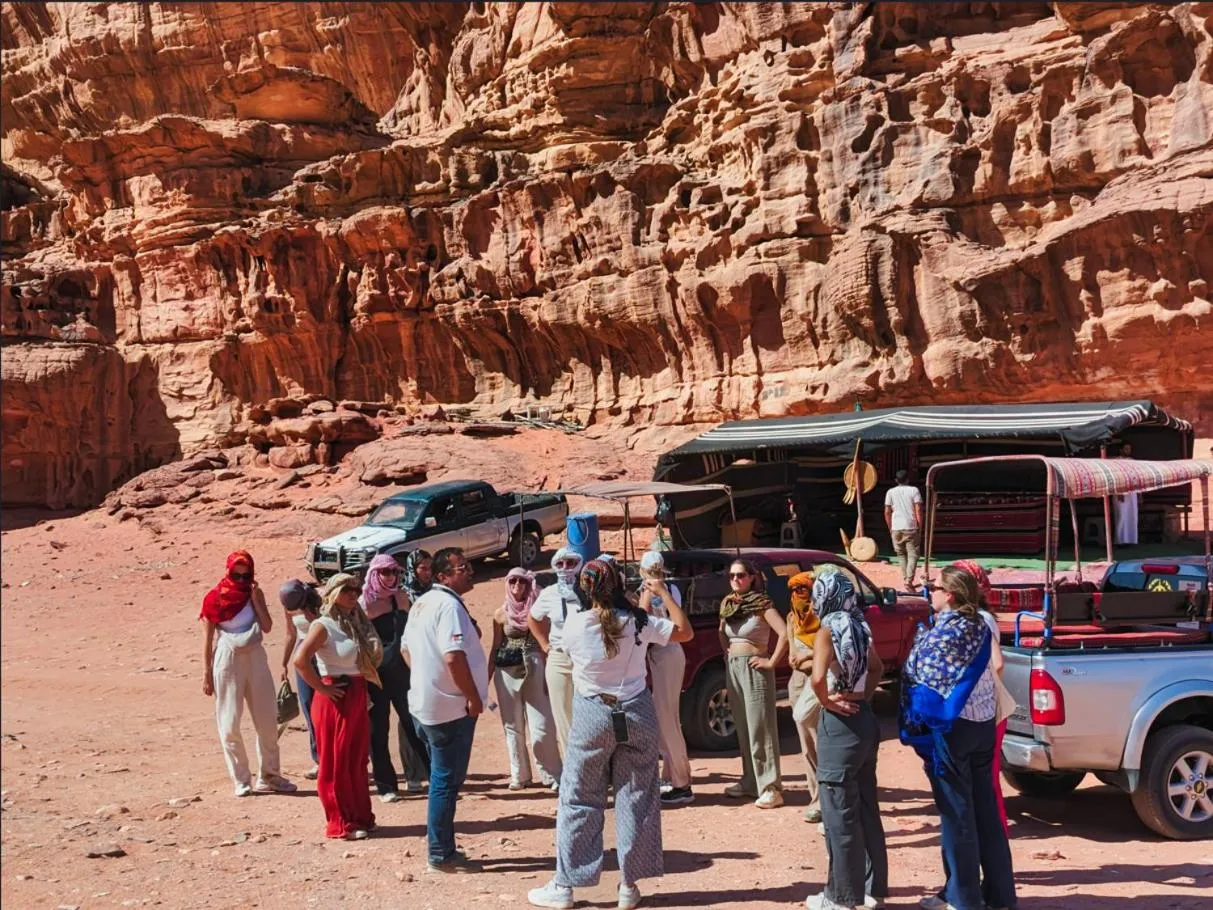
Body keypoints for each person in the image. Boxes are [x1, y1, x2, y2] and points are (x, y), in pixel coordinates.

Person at [527, 558, 694, 910]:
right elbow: (684, 631)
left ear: (585, 589)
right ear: (618, 584)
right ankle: (628, 886)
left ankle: (565, 885)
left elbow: (565, 651)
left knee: (578, 798)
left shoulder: (575, 625)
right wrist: (661, 591)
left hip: (592, 713)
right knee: (636, 798)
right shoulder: (638, 621)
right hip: (636, 710)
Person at [900, 566, 1016, 910]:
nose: (929, 592)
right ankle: (1000, 896)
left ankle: (963, 898)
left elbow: (914, 675)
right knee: (986, 813)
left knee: (957, 813)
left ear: (949, 594)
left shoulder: (942, 633)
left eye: (933, 587)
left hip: (954, 729)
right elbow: (997, 664)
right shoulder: (981, 624)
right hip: (984, 725)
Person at [402, 547, 488, 874]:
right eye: (461, 568)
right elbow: (454, 657)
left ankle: (443, 846)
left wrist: (426, 677)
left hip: (426, 705)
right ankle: (440, 852)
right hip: (449, 709)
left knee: (444, 778)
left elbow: (408, 651)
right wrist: (471, 696)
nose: (468, 571)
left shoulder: (423, 602)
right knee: (445, 781)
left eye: (467, 565)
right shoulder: (447, 606)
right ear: (443, 577)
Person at [806, 572, 888, 910]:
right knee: (867, 807)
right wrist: (862, 697)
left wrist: (827, 700)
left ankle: (840, 897)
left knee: (838, 813)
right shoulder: (860, 625)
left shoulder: (828, 628)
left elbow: (815, 676)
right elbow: (879, 668)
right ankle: (872, 889)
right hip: (865, 721)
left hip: (840, 726)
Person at [293, 572, 383, 840]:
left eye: (356, 590)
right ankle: (341, 822)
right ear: (333, 594)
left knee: (356, 759)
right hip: (336, 697)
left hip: (356, 694)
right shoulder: (323, 625)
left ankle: (360, 817)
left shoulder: (354, 622)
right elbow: (300, 660)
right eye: (347, 590)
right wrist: (321, 687)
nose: (354, 595)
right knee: (336, 762)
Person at [201, 551, 296, 797]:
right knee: (229, 720)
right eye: (237, 575)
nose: (241, 581)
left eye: (247, 576)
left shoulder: (255, 594)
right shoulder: (214, 598)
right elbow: (208, 640)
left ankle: (270, 775)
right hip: (228, 658)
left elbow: (266, 626)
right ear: (228, 571)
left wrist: (254, 599)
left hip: (255, 655)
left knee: (266, 719)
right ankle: (241, 779)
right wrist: (207, 673)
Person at [360, 554, 430, 803]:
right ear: (374, 573)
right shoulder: (364, 603)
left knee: (414, 726)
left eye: (394, 572)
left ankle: (431, 778)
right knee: (378, 731)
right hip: (375, 677)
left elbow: (410, 633)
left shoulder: (401, 598)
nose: (390, 577)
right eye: (385, 572)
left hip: (403, 673)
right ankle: (386, 786)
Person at [719, 559, 788, 808]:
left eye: (741, 575)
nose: (736, 579)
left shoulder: (762, 604)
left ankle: (771, 786)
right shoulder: (728, 604)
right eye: (732, 575)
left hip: (755, 666)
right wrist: (727, 652)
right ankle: (751, 780)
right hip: (734, 668)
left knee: (761, 725)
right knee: (743, 724)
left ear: (751, 577)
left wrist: (770, 661)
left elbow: (784, 632)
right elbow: (721, 631)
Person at [488, 567, 562, 791]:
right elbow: (495, 646)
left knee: (543, 724)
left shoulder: (539, 611)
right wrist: (485, 679)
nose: (517, 586)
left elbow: (547, 642)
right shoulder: (500, 614)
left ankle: (552, 774)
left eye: (522, 582)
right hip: (507, 670)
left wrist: (551, 675)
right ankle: (519, 775)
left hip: (535, 665)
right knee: (512, 724)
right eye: (512, 582)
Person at [638, 550, 694, 806]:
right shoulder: (644, 589)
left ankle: (682, 783)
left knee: (668, 718)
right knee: (663, 717)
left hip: (669, 651)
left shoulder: (669, 591)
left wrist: (659, 591)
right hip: (657, 655)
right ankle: (670, 775)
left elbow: (658, 618)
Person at [530, 547, 583, 757]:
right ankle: (572, 767)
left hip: (582, 656)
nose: (565, 568)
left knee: (585, 711)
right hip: (559, 656)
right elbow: (533, 618)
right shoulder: (549, 594)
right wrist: (544, 645)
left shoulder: (585, 590)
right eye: (560, 564)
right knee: (562, 714)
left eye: (570, 563)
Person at [786, 569, 823, 823]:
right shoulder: (792, 618)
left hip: (819, 683)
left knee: (822, 743)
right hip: (798, 683)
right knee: (806, 746)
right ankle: (815, 798)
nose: (799, 595)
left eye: (803, 590)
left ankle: (825, 799)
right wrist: (795, 660)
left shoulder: (822, 618)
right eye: (795, 590)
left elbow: (827, 650)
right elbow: (792, 652)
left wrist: (808, 657)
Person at [279, 578, 322, 780]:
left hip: (323, 652)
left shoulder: (318, 601)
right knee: (308, 707)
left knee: (329, 707)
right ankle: (319, 759)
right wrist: (284, 663)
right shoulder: (289, 606)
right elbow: (290, 634)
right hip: (302, 656)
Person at [884, 469, 923, 589]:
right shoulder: (914, 490)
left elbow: (887, 511)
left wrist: (890, 527)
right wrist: (920, 525)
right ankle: (908, 580)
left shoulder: (890, 492)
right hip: (910, 526)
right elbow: (918, 510)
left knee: (901, 555)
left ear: (896, 480)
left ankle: (906, 578)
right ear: (908, 479)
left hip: (896, 527)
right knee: (913, 555)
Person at [1114, 443, 1139, 545]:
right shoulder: (1116, 462)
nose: (1128, 450)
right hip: (1120, 492)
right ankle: (1120, 541)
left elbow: (1138, 478)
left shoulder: (1133, 461)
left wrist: (1139, 494)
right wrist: (1119, 492)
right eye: (1126, 448)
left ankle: (1131, 540)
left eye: (1129, 449)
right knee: (1121, 516)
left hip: (1132, 493)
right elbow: (1116, 478)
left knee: (1132, 515)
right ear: (1121, 450)